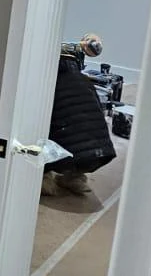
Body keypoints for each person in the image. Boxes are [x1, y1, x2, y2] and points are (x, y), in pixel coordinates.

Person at [42, 34, 115, 197]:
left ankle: (44, 179)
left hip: (67, 151)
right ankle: (75, 177)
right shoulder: (85, 81)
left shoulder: (47, 83)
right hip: (100, 152)